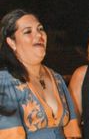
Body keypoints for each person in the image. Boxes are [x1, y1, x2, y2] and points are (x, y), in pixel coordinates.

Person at [0, 9, 82, 138]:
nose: (38, 35)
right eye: (28, 31)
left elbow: (72, 131)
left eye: (40, 29)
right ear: (12, 42)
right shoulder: (5, 82)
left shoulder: (57, 78)